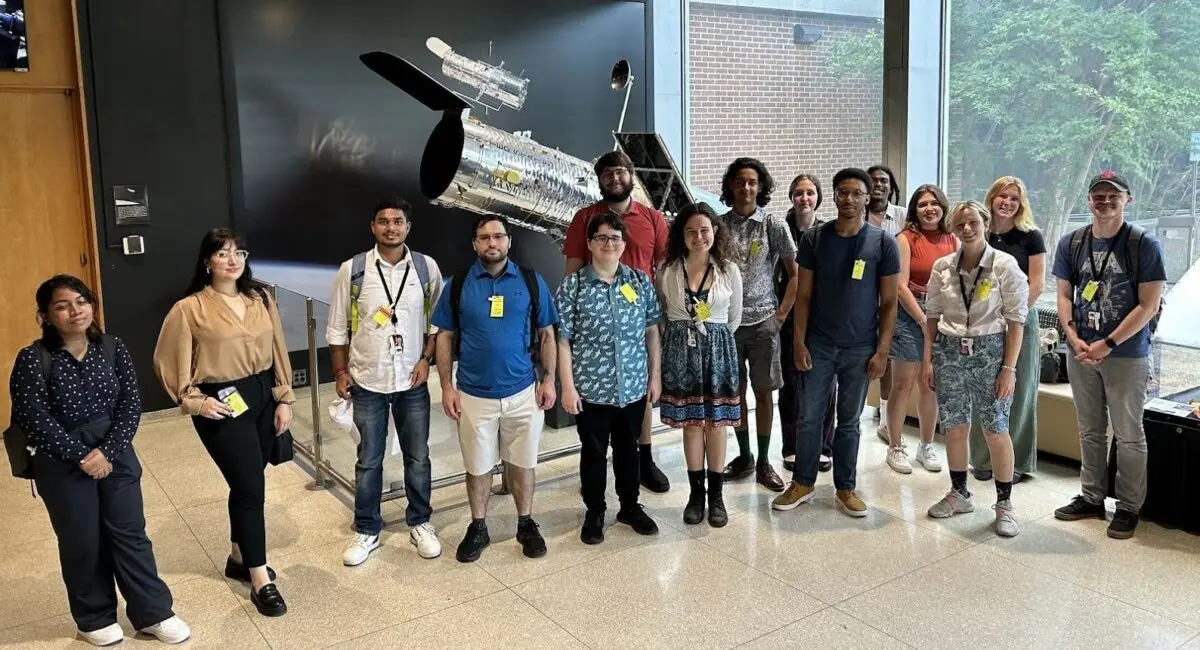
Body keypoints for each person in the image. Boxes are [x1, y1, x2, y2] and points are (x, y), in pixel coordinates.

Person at [9, 276, 190, 646]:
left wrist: (107, 452)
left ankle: (154, 612)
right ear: (44, 315)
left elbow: (129, 404)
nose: (75, 311)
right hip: (60, 459)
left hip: (115, 449)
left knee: (130, 533)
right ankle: (92, 618)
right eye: (62, 305)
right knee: (81, 539)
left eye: (81, 301)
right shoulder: (33, 358)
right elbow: (33, 418)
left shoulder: (112, 346)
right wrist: (81, 456)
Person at [153, 229, 294, 617]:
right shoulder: (190, 309)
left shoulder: (260, 298)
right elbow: (166, 361)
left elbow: (277, 349)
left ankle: (237, 556)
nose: (233, 260)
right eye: (223, 254)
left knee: (245, 480)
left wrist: (283, 397)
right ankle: (259, 578)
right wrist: (195, 402)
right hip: (222, 401)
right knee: (252, 487)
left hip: (263, 394)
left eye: (240, 253)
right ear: (207, 261)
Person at [772, 168, 899, 517]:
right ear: (835, 194)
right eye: (842, 192)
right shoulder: (814, 239)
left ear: (868, 197)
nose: (849, 199)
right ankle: (803, 482)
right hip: (820, 344)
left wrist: (883, 351)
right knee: (809, 418)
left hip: (861, 347)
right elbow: (804, 295)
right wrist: (798, 342)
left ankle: (846, 487)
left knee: (848, 421)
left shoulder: (883, 243)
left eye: (856, 193)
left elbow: (889, 302)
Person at [326, 198, 444, 567]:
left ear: (409, 226)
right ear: (372, 226)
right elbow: (336, 328)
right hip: (367, 378)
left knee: (418, 456)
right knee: (369, 459)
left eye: (398, 221)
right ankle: (367, 528)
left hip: (412, 378)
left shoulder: (426, 268)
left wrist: (427, 360)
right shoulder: (354, 269)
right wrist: (341, 372)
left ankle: (421, 522)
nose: (391, 228)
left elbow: (436, 324)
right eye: (383, 221)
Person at [434, 215, 559, 562]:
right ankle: (478, 526)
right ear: (475, 244)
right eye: (484, 238)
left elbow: (548, 333)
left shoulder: (531, 281)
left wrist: (548, 380)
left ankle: (525, 522)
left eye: (498, 237)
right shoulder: (458, 285)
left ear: (509, 242)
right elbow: (443, 336)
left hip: (523, 392)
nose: (492, 243)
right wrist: (446, 386)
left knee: (523, 462)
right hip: (474, 394)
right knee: (477, 466)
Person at [1052, 171, 1166, 540]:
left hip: (1126, 354)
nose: (1104, 201)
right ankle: (1091, 497)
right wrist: (1072, 335)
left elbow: (1148, 306)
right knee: (1089, 429)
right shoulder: (1072, 243)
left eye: (1112, 196)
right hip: (1081, 350)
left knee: (1129, 433)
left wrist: (1110, 343)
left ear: (1127, 200)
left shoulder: (1142, 244)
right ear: (1088, 200)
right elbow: (1065, 295)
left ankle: (1129, 507)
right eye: (1097, 195)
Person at [563, 150, 671, 493]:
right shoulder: (584, 218)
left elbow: (665, 269)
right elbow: (573, 268)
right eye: (607, 173)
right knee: (598, 424)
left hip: (639, 313)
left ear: (631, 176)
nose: (615, 178)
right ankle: (596, 483)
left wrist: (661, 317)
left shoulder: (652, 218)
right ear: (600, 179)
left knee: (639, 395)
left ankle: (645, 459)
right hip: (595, 316)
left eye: (620, 172)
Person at [921, 201, 1028, 537]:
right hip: (949, 352)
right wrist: (928, 360)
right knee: (954, 426)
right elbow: (932, 317)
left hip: (991, 353)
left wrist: (1008, 368)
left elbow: (1015, 320)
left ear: (985, 224)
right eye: (959, 224)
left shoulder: (1004, 265)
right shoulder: (942, 267)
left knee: (996, 429)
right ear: (953, 229)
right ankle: (959, 493)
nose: (966, 229)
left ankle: (1004, 503)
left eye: (972, 223)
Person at [556, 212, 662, 544]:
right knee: (594, 450)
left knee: (628, 449)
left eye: (615, 238)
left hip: (632, 385)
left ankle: (629, 506)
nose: (609, 244)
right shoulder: (573, 286)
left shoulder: (639, 281)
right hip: (590, 390)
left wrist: (654, 378)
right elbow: (561, 339)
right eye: (601, 238)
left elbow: (652, 333)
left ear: (623, 244)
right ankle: (595, 510)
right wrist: (568, 386)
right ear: (589, 244)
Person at [656, 202, 743, 527]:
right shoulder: (668, 270)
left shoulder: (729, 270)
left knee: (716, 425)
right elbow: (664, 313)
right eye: (690, 231)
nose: (698, 236)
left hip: (719, 350)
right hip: (681, 352)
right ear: (682, 234)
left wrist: (711, 337)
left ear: (715, 232)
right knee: (692, 424)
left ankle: (717, 496)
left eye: (704, 230)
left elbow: (733, 319)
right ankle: (696, 495)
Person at [717, 157, 797, 493]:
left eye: (752, 182)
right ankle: (745, 456)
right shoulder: (718, 225)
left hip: (765, 322)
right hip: (728, 325)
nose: (746, 187)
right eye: (740, 181)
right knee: (734, 396)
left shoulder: (774, 225)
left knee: (764, 394)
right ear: (731, 186)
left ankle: (764, 461)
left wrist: (780, 315)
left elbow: (796, 275)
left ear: (760, 186)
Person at [970, 177, 1045, 482]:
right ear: (991, 198)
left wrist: (1012, 316)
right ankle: (984, 459)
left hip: (1020, 322)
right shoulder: (978, 234)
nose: (1008, 202)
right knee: (982, 389)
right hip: (983, 324)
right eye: (1003, 196)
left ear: (1021, 203)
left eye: (1014, 198)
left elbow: (1037, 284)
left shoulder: (1031, 236)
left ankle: (1018, 462)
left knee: (1018, 388)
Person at [884, 185, 957, 474]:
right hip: (911, 313)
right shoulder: (905, 238)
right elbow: (900, 285)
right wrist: (922, 319)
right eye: (922, 204)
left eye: (934, 203)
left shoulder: (953, 238)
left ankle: (926, 445)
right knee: (902, 384)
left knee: (930, 385)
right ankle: (895, 446)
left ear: (943, 206)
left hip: (943, 315)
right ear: (914, 209)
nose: (929, 209)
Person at [776, 174, 835, 474]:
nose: (804, 198)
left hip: (822, 318)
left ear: (818, 197)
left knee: (825, 385)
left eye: (810, 193)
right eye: (799, 193)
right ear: (791, 197)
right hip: (787, 317)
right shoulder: (779, 229)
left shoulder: (829, 232)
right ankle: (792, 446)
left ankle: (824, 447)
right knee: (790, 385)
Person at [867, 164, 907, 444]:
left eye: (883, 181)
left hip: (896, 295)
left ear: (890, 186)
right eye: (873, 181)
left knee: (889, 355)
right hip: (864, 296)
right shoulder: (856, 215)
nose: (878, 185)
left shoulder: (904, 217)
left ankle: (884, 419)